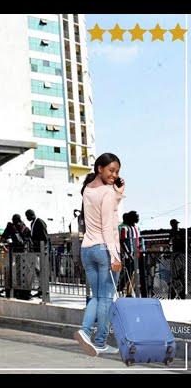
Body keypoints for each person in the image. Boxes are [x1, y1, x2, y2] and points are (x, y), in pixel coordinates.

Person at [74, 153, 125, 357]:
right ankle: (95, 337)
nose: (114, 175)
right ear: (99, 168)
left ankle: (88, 334)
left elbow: (104, 208)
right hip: (104, 250)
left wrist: (118, 193)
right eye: (111, 170)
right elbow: (107, 226)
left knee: (98, 296)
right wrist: (115, 257)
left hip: (88, 249)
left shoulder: (88, 189)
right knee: (105, 298)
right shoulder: (106, 192)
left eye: (117, 172)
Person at [25, 209, 49, 298]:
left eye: (27, 216)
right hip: (35, 250)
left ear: (31, 215)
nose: (27, 218)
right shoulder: (32, 223)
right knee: (37, 270)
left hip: (41, 250)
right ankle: (40, 288)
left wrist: (43, 249)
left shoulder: (39, 222)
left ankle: (43, 289)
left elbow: (45, 237)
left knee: (41, 270)